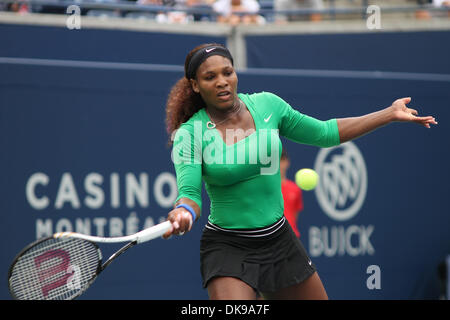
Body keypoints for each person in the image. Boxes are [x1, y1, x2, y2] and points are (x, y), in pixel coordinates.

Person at [162, 43, 437, 300]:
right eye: (210, 77)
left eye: (227, 72)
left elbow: (325, 133)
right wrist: (183, 212)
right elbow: (189, 195)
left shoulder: (268, 105)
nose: (222, 81)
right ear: (195, 85)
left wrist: (388, 114)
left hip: (280, 241)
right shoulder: (190, 134)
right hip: (228, 248)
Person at [280, 149, 303, 238]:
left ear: (287, 162)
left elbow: (295, 215)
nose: (279, 164)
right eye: (276, 161)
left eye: (282, 160)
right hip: (273, 238)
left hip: (292, 237)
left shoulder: (295, 189)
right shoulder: (266, 188)